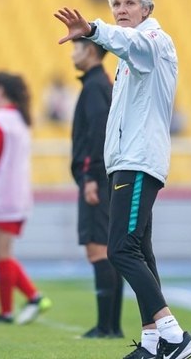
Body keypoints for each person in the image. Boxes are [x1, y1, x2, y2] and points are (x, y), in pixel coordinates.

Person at [55, 0, 191, 359]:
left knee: (119, 249)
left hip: (138, 161)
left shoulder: (153, 39)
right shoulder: (132, 52)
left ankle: (175, 335)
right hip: (127, 162)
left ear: (147, 9)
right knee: (139, 251)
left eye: (129, 3)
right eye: (116, 4)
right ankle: (153, 342)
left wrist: (93, 29)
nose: (121, 10)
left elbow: (128, 40)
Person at [0, 72, 51, 326]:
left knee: (0, 253)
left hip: (1, 196)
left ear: (0, 90)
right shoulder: (19, 119)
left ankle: (26, 301)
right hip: (15, 194)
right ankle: (23, 302)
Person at [70, 38, 124, 338]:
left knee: (98, 249)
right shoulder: (99, 83)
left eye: (75, 48)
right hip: (102, 176)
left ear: (90, 51)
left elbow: (97, 135)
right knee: (106, 251)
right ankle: (111, 325)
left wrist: (90, 176)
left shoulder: (94, 87)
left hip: (97, 178)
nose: (72, 54)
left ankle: (106, 326)